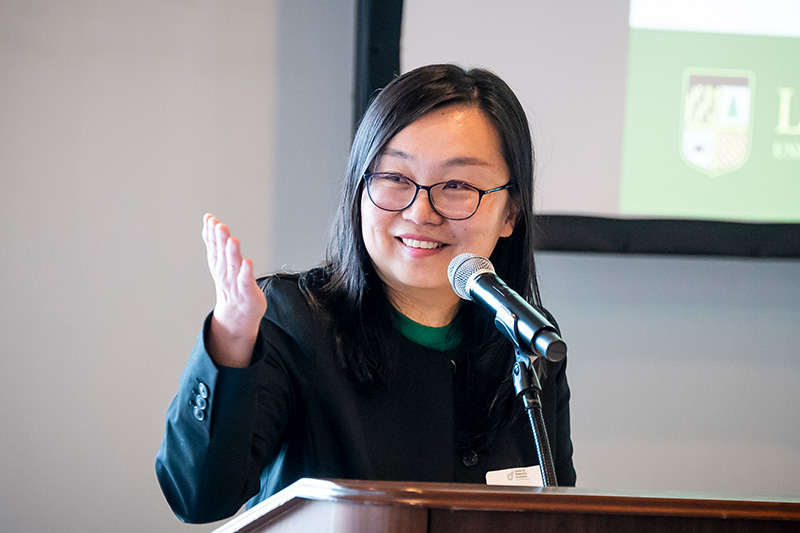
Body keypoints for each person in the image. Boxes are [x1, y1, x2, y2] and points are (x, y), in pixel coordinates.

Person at [155, 63, 576, 524]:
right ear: (360, 188)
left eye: (457, 185)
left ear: (511, 212)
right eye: (395, 178)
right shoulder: (293, 319)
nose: (421, 212)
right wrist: (232, 336)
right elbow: (199, 498)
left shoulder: (525, 337)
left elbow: (560, 513)